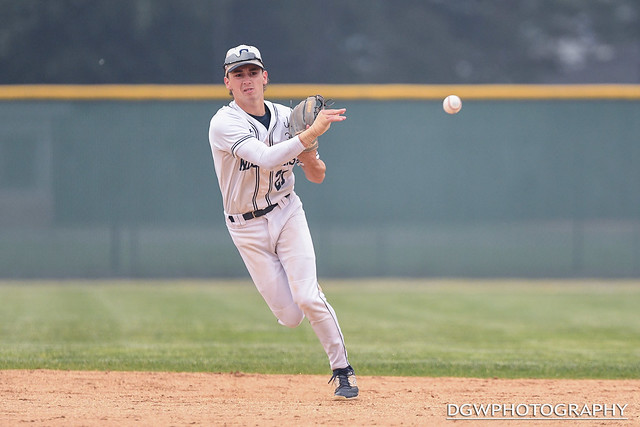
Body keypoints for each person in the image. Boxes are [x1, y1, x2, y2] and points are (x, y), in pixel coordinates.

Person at [208, 44, 358, 400]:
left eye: (253, 72)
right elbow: (265, 156)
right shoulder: (224, 123)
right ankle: (335, 361)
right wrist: (308, 134)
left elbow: (318, 175)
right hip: (246, 228)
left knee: (308, 296)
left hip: (287, 211)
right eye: (239, 74)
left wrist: (308, 150)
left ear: (265, 77)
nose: (248, 80)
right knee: (291, 316)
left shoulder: (288, 118)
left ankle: (342, 370)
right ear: (227, 82)